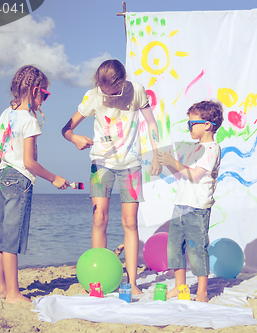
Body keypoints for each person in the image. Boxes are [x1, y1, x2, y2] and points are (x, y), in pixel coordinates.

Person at [61, 59, 161, 295]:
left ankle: (132, 282)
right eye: (106, 93)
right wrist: (73, 138)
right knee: (99, 220)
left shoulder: (136, 90)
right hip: (101, 163)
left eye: (115, 92)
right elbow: (66, 128)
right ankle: (97, 280)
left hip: (132, 164)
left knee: (130, 223)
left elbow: (151, 122)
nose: (111, 97)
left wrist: (157, 154)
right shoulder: (92, 96)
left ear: (123, 81)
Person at [0, 65, 70, 304]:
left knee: (0, 237)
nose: (44, 100)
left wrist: (4, 172)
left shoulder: (6, 114)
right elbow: (29, 162)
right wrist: (54, 177)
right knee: (11, 240)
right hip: (19, 180)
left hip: (2, 177)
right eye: (44, 95)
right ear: (35, 91)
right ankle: (13, 294)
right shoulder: (30, 121)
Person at [157, 100, 224, 302]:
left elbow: (195, 175)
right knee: (175, 247)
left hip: (197, 207)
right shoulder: (194, 149)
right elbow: (182, 175)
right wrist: (168, 163)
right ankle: (180, 286)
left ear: (207, 125)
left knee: (196, 249)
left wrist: (172, 162)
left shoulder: (212, 149)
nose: (189, 127)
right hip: (181, 204)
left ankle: (202, 291)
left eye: (192, 123)